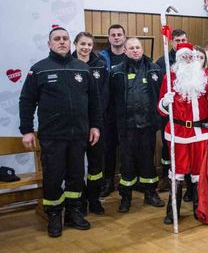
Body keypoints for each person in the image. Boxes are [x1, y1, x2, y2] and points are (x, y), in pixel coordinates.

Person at [19, 27, 102, 237]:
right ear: (49, 44)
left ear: (70, 43)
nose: (62, 42)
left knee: (76, 176)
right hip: (52, 136)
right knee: (53, 177)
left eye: (65, 38)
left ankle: (74, 212)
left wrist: (95, 125)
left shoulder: (82, 68)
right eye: (57, 39)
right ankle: (54, 214)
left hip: (78, 135)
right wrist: (27, 130)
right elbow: (27, 101)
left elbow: (94, 101)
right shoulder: (39, 69)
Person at [158, 43, 208, 225]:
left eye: (190, 56)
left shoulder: (204, 76)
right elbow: (161, 111)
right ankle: (173, 210)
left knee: (197, 173)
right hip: (177, 133)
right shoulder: (169, 77)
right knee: (177, 173)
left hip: (200, 132)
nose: (188, 59)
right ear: (178, 58)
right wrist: (164, 102)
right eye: (183, 56)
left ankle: (198, 208)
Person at [109, 37, 164, 213]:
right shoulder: (116, 72)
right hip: (126, 127)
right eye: (131, 48)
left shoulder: (155, 69)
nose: (135, 50)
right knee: (127, 163)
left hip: (148, 126)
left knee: (148, 161)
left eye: (137, 47)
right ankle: (126, 197)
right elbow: (110, 100)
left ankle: (150, 193)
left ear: (142, 49)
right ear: (125, 50)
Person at [72, 32, 108, 215]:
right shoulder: (68, 65)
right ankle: (80, 201)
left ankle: (94, 200)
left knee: (95, 166)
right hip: (75, 125)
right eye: (82, 44)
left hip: (96, 124)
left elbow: (103, 95)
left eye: (89, 44)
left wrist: (97, 121)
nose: (85, 47)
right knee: (76, 166)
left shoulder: (100, 66)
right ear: (75, 44)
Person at [155, 29, 188, 193]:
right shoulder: (163, 62)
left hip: (186, 113)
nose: (180, 43)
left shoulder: (190, 60)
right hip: (169, 113)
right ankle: (166, 178)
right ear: (172, 42)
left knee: (186, 146)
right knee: (168, 146)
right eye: (177, 40)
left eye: (183, 39)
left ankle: (185, 177)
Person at [99, 24, 127, 198]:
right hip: (107, 114)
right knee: (108, 150)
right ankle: (108, 182)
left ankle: (128, 182)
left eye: (119, 34)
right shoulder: (101, 59)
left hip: (127, 113)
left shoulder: (131, 57)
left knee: (127, 149)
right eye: (113, 35)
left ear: (124, 37)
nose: (116, 37)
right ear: (108, 38)